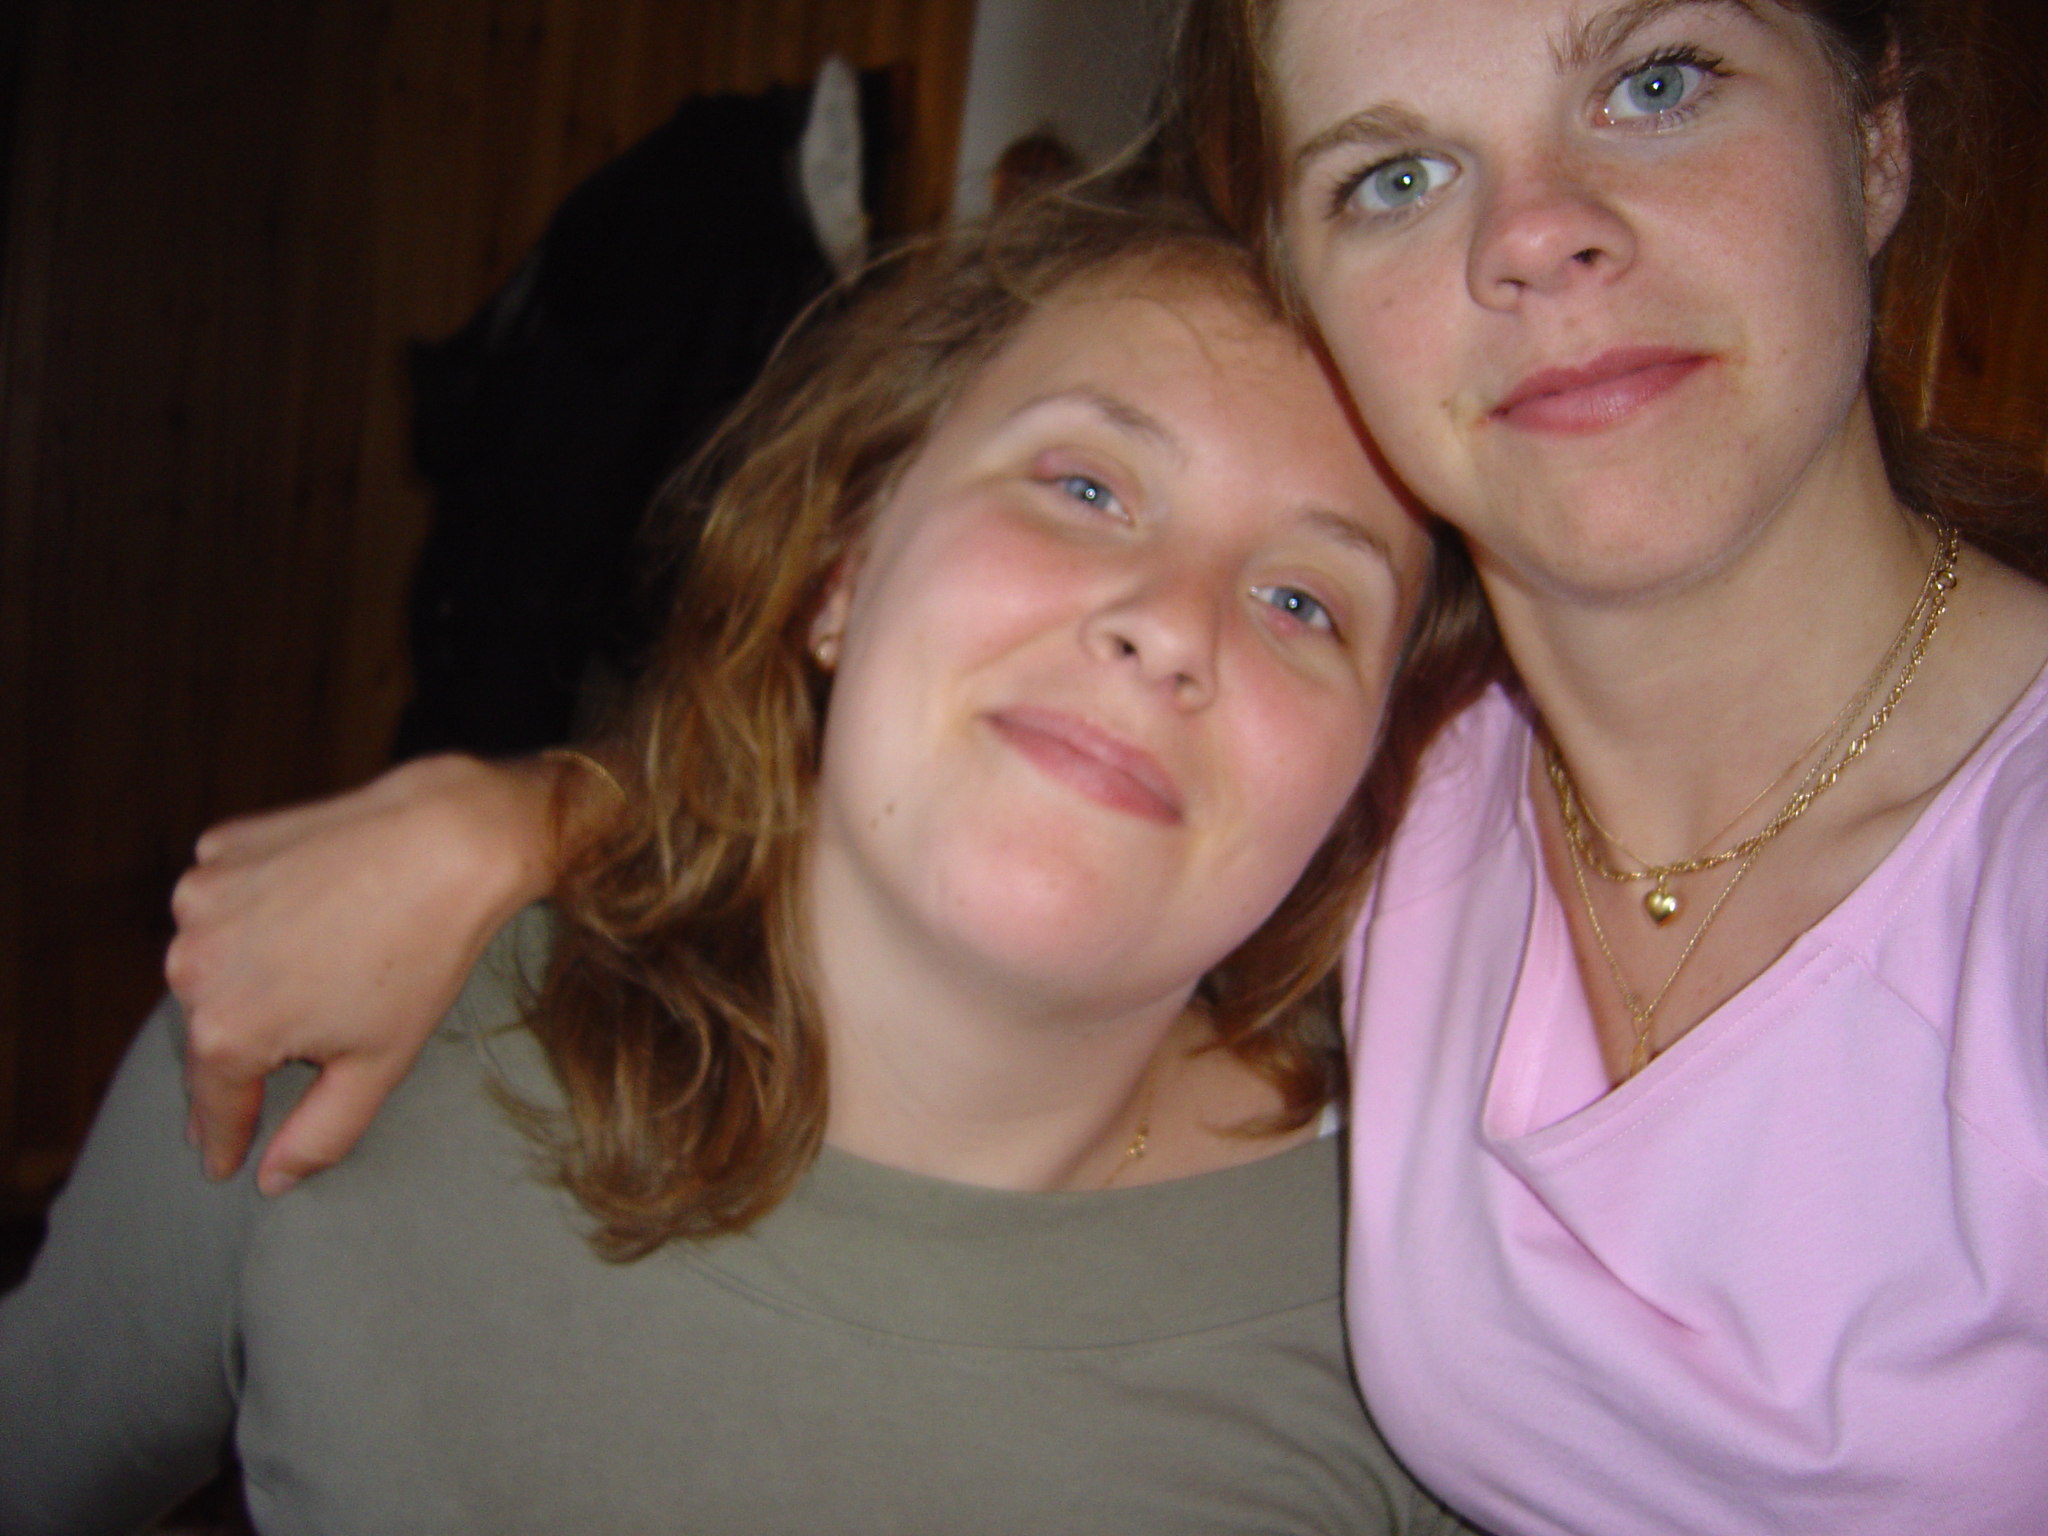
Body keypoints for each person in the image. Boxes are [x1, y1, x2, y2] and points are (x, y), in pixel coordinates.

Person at [160, 0, 2048, 1530]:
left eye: (1656, 79)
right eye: (1396, 171)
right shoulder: (1425, 787)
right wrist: (525, 817)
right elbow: (1003, 802)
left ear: (1878, 128)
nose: (1534, 230)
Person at [0, 193, 1486, 1535]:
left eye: (1305, 601)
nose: (1171, 624)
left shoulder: (1440, 1336)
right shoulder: (345, 1024)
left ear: (1363, 785)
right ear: (845, 571)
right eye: (1086, 487)